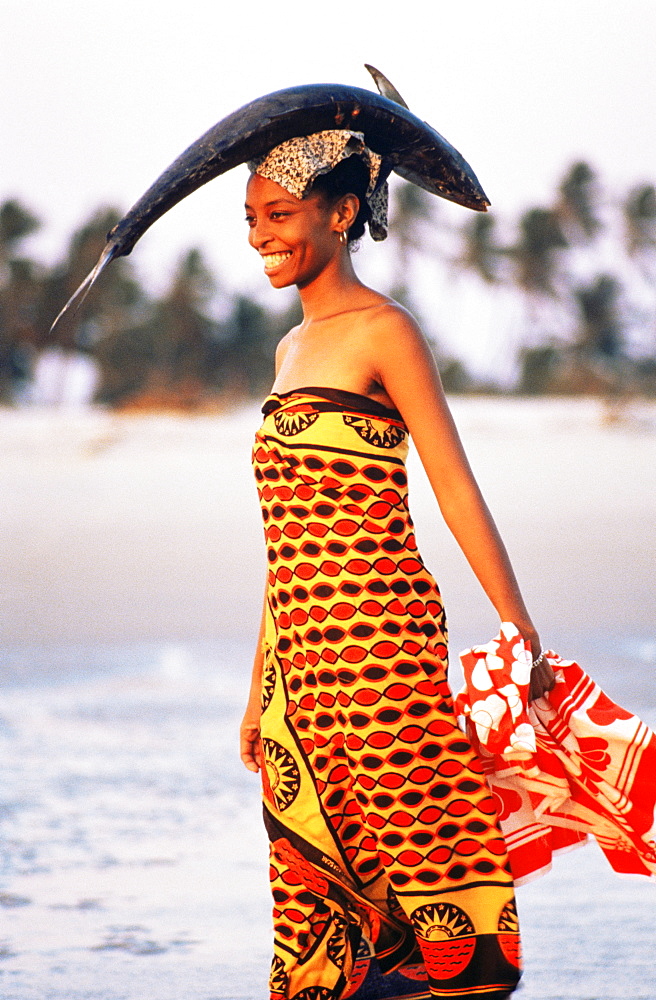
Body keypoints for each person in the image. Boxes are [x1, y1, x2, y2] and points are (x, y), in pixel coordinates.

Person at [238, 132, 555, 1000]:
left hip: (380, 634)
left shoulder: (387, 332)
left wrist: (516, 624)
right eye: (251, 219)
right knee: (318, 864)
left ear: (341, 215)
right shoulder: (289, 351)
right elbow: (287, 536)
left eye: (278, 215)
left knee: (420, 828)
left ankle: (466, 980)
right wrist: (260, 679)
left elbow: (453, 485)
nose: (260, 236)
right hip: (302, 655)